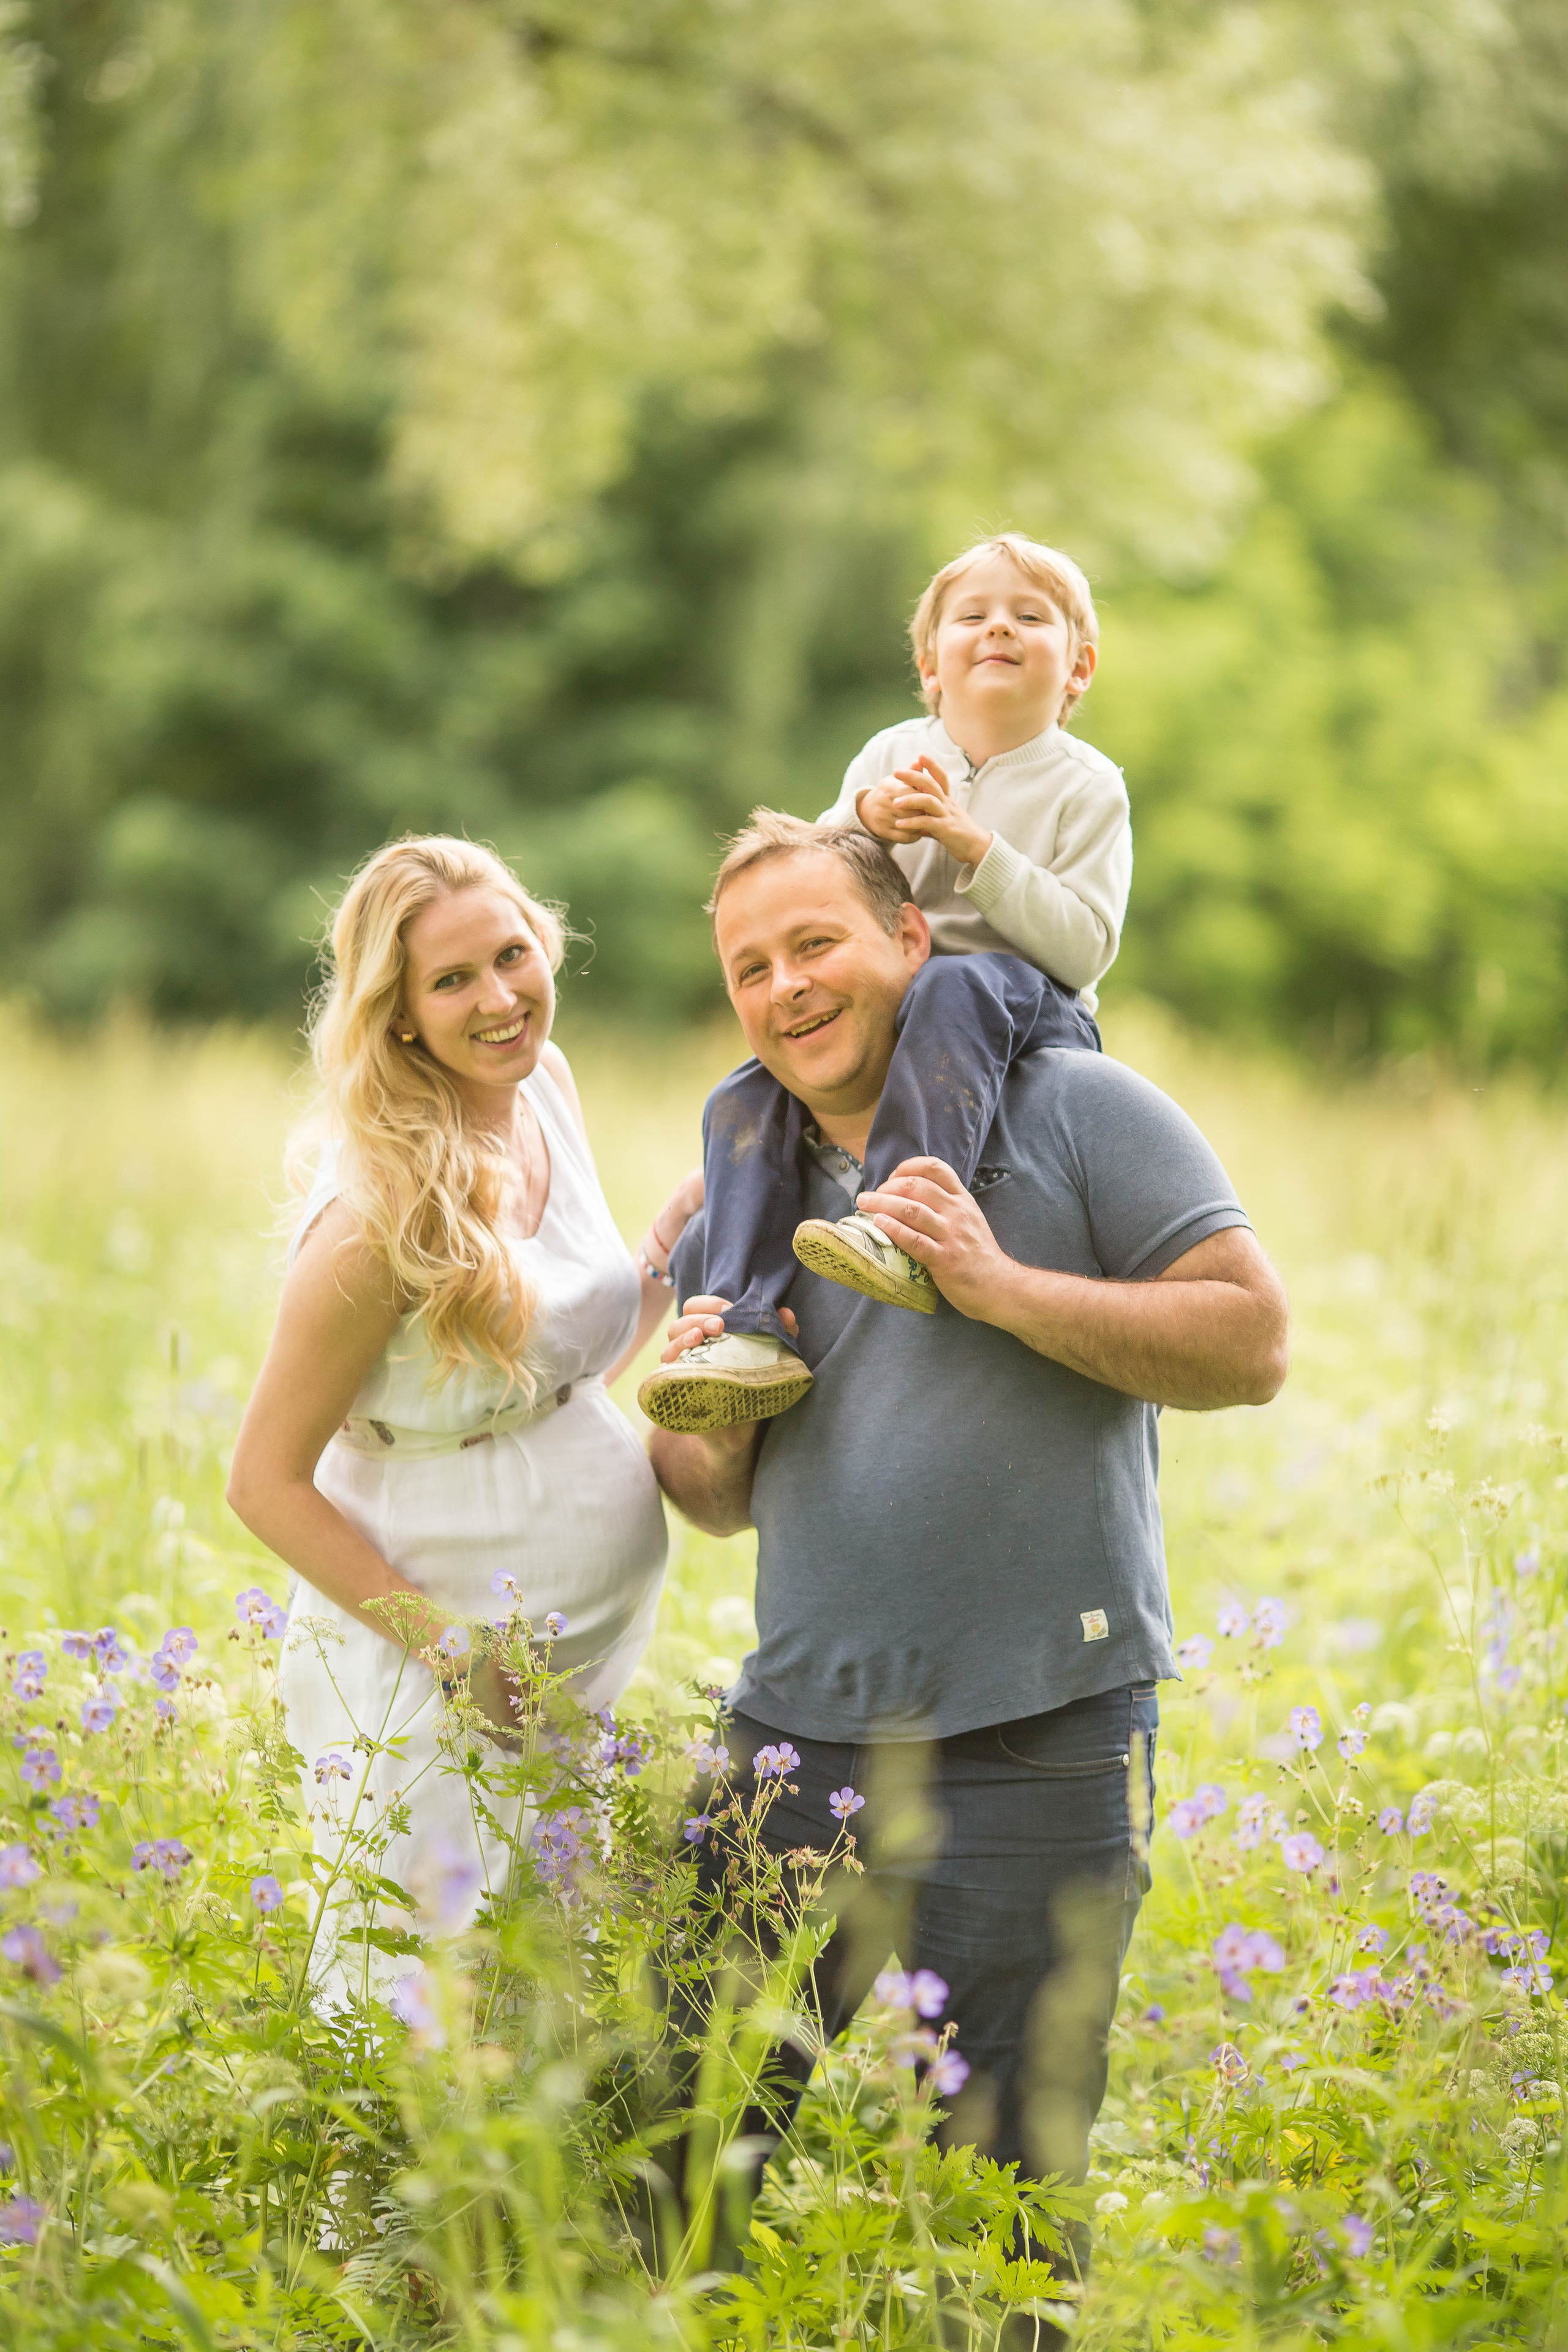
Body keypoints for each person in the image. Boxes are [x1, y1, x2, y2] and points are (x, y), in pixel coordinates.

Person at [645, 812, 1287, 2243]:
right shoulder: (738, 1197)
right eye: (750, 968)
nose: (785, 990)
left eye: (814, 944)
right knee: (677, 2157)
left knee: (1002, 2198)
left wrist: (997, 1286)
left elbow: (1249, 1344)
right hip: (794, 1745)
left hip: (1039, 1739)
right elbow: (710, 1507)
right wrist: (706, 1414)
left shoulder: (1071, 1108)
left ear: (910, 941)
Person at [227, 835, 698, 2000]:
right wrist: (453, 1655)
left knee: (547, 1996)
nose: (500, 998)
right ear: (397, 1017)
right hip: (429, 1667)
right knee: (420, 1999)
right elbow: (264, 1480)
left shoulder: (545, 1087)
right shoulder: (374, 1213)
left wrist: (680, 1240)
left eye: (512, 955)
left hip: (572, 1661)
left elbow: (552, 1361)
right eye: (452, 981)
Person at [638, 533, 1131, 1436]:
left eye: (1030, 617)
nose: (999, 630)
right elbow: (816, 870)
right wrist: (861, 818)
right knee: (745, 1094)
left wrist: (976, 849)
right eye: (972, 617)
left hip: (1033, 1013)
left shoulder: (1086, 787)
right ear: (929, 666)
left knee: (954, 983)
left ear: (1079, 667)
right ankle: (745, 1322)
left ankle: (899, 1225)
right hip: (907, 1012)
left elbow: (1086, 947)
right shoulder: (893, 753)